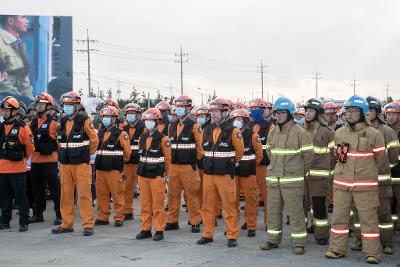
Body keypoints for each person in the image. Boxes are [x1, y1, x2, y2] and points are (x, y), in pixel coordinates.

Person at [325, 95, 385, 264]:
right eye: (347, 111)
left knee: (368, 221)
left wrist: (365, 173)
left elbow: (380, 159)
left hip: (366, 187)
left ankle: (372, 253)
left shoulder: (375, 134)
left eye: (354, 111)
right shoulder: (339, 133)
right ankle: (336, 249)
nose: (349, 114)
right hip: (342, 185)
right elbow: (339, 158)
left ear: (363, 113)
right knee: (339, 219)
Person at [260, 96, 314, 255]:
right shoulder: (272, 132)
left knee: (296, 213)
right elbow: (270, 152)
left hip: (292, 181)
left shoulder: (300, 133)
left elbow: (309, 156)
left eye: (282, 112)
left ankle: (299, 243)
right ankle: (272, 240)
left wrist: (298, 171)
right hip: (274, 179)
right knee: (273, 212)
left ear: (290, 114)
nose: (279, 116)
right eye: (276, 113)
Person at [350, 96, 399, 255]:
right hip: (362, 182)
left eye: (370, 110)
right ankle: (360, 239)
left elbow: (393, 156)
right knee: (360, 213)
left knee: (384, 213)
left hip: (381, 181)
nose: (368, 113)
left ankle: (386, 242)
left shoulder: (388, 132)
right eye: (366, 110)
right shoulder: (357, 130)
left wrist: (380, 169)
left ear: (376, 112)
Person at [197, 98, 244, 248]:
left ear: (225, 112)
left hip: (225, 174)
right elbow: (203, 150)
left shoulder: (233, 131)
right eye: (212, 111)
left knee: (229, 206)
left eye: (216, 111)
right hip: (209, 174)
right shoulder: (207, 130)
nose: (214, 114)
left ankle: (232, 235)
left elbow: (240, 151)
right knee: (207, 206)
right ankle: (207, 234)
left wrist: (229, 164)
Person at [51, 92, 99, 236]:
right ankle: (66, 224)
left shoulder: (85, 121)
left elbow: (94, 140)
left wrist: (84, 154)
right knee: (65, 195)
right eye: (65, 105)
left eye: (70, 105)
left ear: (77, 106)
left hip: (81, 165)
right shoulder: (62, 121)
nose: (67, 107)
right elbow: (58, 142)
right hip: (65, 164)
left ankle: (88, 225)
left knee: (84, 195)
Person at [165, 95, 202, 233]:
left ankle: (195, 221)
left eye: (182, 107)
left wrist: (194, 163)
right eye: (177, 106)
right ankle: (172, 221)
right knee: (172, 195)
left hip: (189, 166)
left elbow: (199, 148)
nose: (179, 109)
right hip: (174, 166)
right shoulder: (171, 126)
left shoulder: (194, 126)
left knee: (192, 195)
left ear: (188, 108)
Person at [135, 108, 171, 241]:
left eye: (151, 120)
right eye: (147, 120)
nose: (148, 123)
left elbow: (167, 159)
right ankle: (145, 229)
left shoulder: (163, 139)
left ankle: (159, 229)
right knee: (145, 204)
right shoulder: (142, 137)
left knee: (157, 205)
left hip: (157, 175)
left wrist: (167, 175)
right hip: (143, 174)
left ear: (157, 122)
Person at [303, 98, 335, 245]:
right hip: (303, 175)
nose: (307, 113)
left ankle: (321, 234)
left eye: (311, 111)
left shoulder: (328, 132)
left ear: (318, 113)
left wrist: (332, 174)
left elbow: (336, 155)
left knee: (319, 206)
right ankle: (309, 226)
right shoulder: (301, 130)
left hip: (320, 176)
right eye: (306, 110)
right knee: (304, 204)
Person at [0, 96, 34, 231]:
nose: (3, 112)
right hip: (2, 170)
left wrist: (21, 160)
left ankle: (24, 222)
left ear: (14, 111)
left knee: (21, 197)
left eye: (6, 110)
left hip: (17, 170)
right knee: (4, 197)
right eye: (2, 110)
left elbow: (30, 148)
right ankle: (4, 221)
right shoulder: (0, 127)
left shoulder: (23, 128)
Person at [94, 106, 131, 227]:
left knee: (117, 194)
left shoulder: (121, 133)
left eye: (108, 117)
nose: (105, 119)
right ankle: (102, 217)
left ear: (114, 119)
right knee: (101, 195)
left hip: (114, 169)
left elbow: (127, 153)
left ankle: (119, 217)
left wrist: (120, 162)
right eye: (103, 117)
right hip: (100, 169)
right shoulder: (100, 132)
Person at [29, 92, 62, 225]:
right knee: (37, 190)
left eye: (42, 104)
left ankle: (60, 214)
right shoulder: (31, 123)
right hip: (35, 162)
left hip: (50, 161)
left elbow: (59, 143)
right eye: (38, 104)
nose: (39, 106)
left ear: (48, 106)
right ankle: (38, 214)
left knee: (55, 190)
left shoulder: (54, 124)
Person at [231, 108, 263, 237]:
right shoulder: (230, 135)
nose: (236, 122)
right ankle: (232, 226)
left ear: (245, 121)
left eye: (238, 119)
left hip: (249, 173)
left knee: (251, 200)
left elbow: (259, 156)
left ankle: (251, 226)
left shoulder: (253, 136)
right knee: (232, 201)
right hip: (233, 173)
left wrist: (250, 166)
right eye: (234, 120)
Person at [248, 98, 274, 228]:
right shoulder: (248, 125)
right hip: (250, 165)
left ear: (263, 111)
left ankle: (269, 221)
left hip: (264, 165)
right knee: (251, 195)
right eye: (252, 109)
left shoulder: (271, 127)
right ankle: (249, 221)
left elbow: (272, 147)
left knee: (267, 195)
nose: (254, 111)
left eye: (256, 109)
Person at [0, 15, 34, 101]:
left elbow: (24, 78)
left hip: (17, 98)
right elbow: (3, 82)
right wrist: (22, 102)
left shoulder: (19, 43)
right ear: (11, 21)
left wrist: (31, 102)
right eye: (23, 17)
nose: (27, 21)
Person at [122, 103, 145, 220]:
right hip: (128, 163)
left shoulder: (144, 128)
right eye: (128, 114)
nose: (130, 116)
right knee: (126, 188)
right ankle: (127, 211)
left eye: (133, 114)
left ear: (138, 115)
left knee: (144, 190)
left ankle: (147, 212)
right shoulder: (124, 129)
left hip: (141, 163)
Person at [384, 102, 400, 230]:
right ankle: (393, 227)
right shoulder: (384, 132)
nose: (390, 117)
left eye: (393, 115)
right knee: (391, 203)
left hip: (398, 173)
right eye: (388, 114)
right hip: (388, 173)